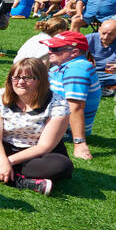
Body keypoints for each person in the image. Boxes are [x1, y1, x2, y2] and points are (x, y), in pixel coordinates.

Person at [0, 57, 70, 196]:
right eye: (16, 77)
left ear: (41, 81)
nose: (20, 82)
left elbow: (44, 146)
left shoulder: (58, 104)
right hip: (4, 148)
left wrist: (7, 162)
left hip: (37, 155)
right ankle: (22, 182)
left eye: (28, 78)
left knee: (62, 165)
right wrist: (3, 159)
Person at [43, 31, 100, 162]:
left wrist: (79, 143)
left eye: (55, 49)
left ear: (74, 52)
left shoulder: (77, 70)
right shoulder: (62, 66)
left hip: (62, 129)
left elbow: (75, 107)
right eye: (50, 48)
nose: (49, 51)